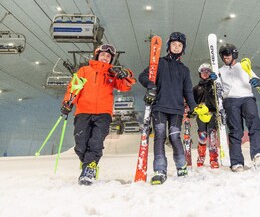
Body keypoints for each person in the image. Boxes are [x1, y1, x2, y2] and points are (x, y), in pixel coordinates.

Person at [139, 32, 208, 185]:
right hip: (159, 107)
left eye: (179, 45)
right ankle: (160, 170)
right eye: (174, 44)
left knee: (175, 137)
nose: (176, 47)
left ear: (183, 48)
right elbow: (143, 76)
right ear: (168, 46)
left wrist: (194, 107)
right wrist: (151, 87)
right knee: (160, 135)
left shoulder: (184, 70)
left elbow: (188, 92)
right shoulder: (159, 63)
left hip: (176, 109)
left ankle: (181, 166)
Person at [61, 44, 136, 185]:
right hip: (83, 112)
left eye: (108, 56)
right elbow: (74, 87)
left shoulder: (112, 74)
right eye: (103, 55)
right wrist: (68, 102)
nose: (105, 57)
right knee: (80, 145)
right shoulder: (84, 71)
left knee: (96, 142)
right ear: (97, 55)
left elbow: (126, 85)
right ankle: (88, 164)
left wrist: (126, 73)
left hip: (103, 113)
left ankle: (89, 169)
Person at [218, 43, 260, 172]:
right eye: (223, 54)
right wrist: (213, 79)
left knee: (254, 124)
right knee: (235, 130)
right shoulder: (220, 71)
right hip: (230, 100)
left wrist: (258, 82)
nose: (225, 56)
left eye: (227, 53)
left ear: (234, 54)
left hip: (247, 98)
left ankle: (257, 154)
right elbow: (216, 88)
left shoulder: (243, 66)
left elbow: (258, 79)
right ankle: (237, 162)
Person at [193, 63, 220, 169]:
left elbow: (220, 97)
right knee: (202, 136)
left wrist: (216, 81)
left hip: (213, 114)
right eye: (203, 71)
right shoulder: (196, 88)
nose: (205, 73)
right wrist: (191, 110)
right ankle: (201, 156)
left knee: (213, 136)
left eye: (207, 71)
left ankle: (214, 159)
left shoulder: (215, 86)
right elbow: (192, 102)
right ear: (200, 73)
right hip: (201, 115)